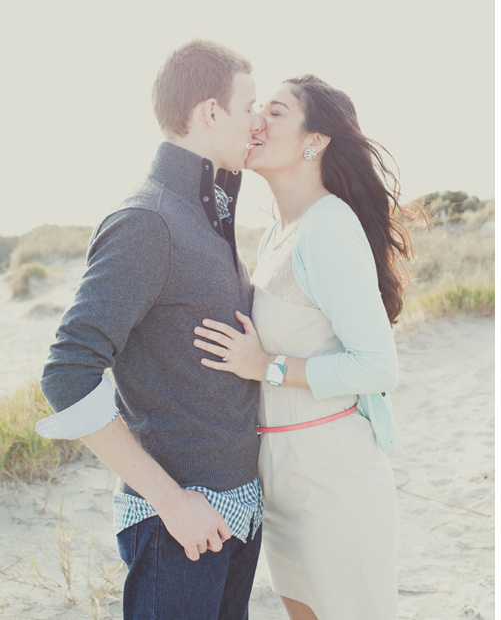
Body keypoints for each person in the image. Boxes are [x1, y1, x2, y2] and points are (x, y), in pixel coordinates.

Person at [36, 39, 264, 619]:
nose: (256, 122)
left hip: (237, 516)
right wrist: (170, 502)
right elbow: (67, 373)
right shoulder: (147, 220)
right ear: (211, 111)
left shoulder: (207, 212)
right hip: (178, 528)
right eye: (248, 106)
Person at [191, 74, 412, 620]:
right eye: (257, 110)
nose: (257, 121)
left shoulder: (329, 227)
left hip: (332, 477)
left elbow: (378, 365)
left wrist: (265, 367)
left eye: (277, 112)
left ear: (315, 141)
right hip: (280, 474)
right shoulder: (274, 236)